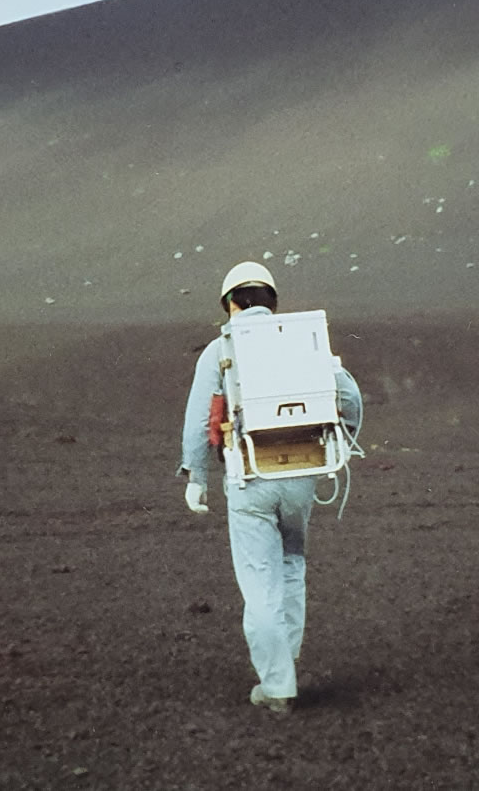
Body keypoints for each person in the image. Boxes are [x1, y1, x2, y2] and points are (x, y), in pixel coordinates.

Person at [178, 261, 363, 715]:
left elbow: (200, 418)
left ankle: (278, 684)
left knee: (259, 582)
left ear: (230, 303)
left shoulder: (221, 348)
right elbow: (350, 398)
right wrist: (342, 438)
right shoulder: (301, 339)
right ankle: (288, 656)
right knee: (291, 563)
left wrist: (197, 478)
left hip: (250, 477)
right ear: (272, 301)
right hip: (301, 476)